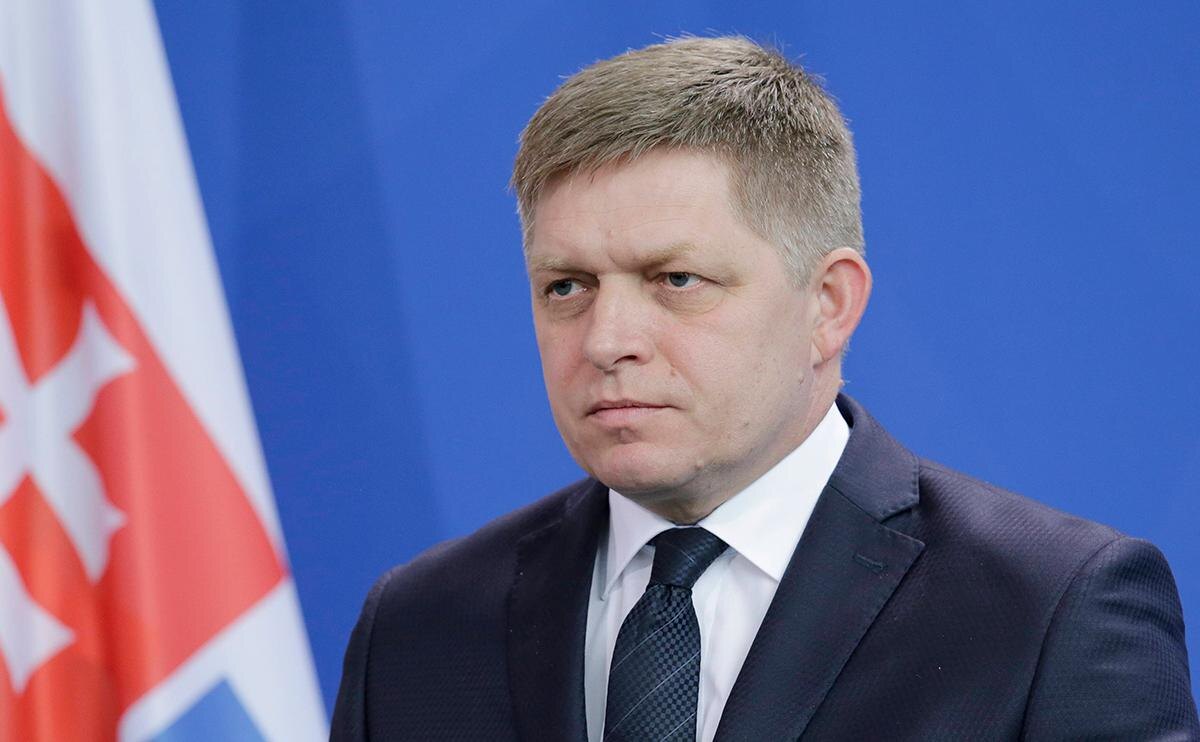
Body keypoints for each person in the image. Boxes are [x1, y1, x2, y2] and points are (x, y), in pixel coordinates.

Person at [331, 36, 1198, 740]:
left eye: (675, 279)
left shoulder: (1050, 609)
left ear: (829, 304)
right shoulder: (417, 626)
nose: (605, 340)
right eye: (567, 286)